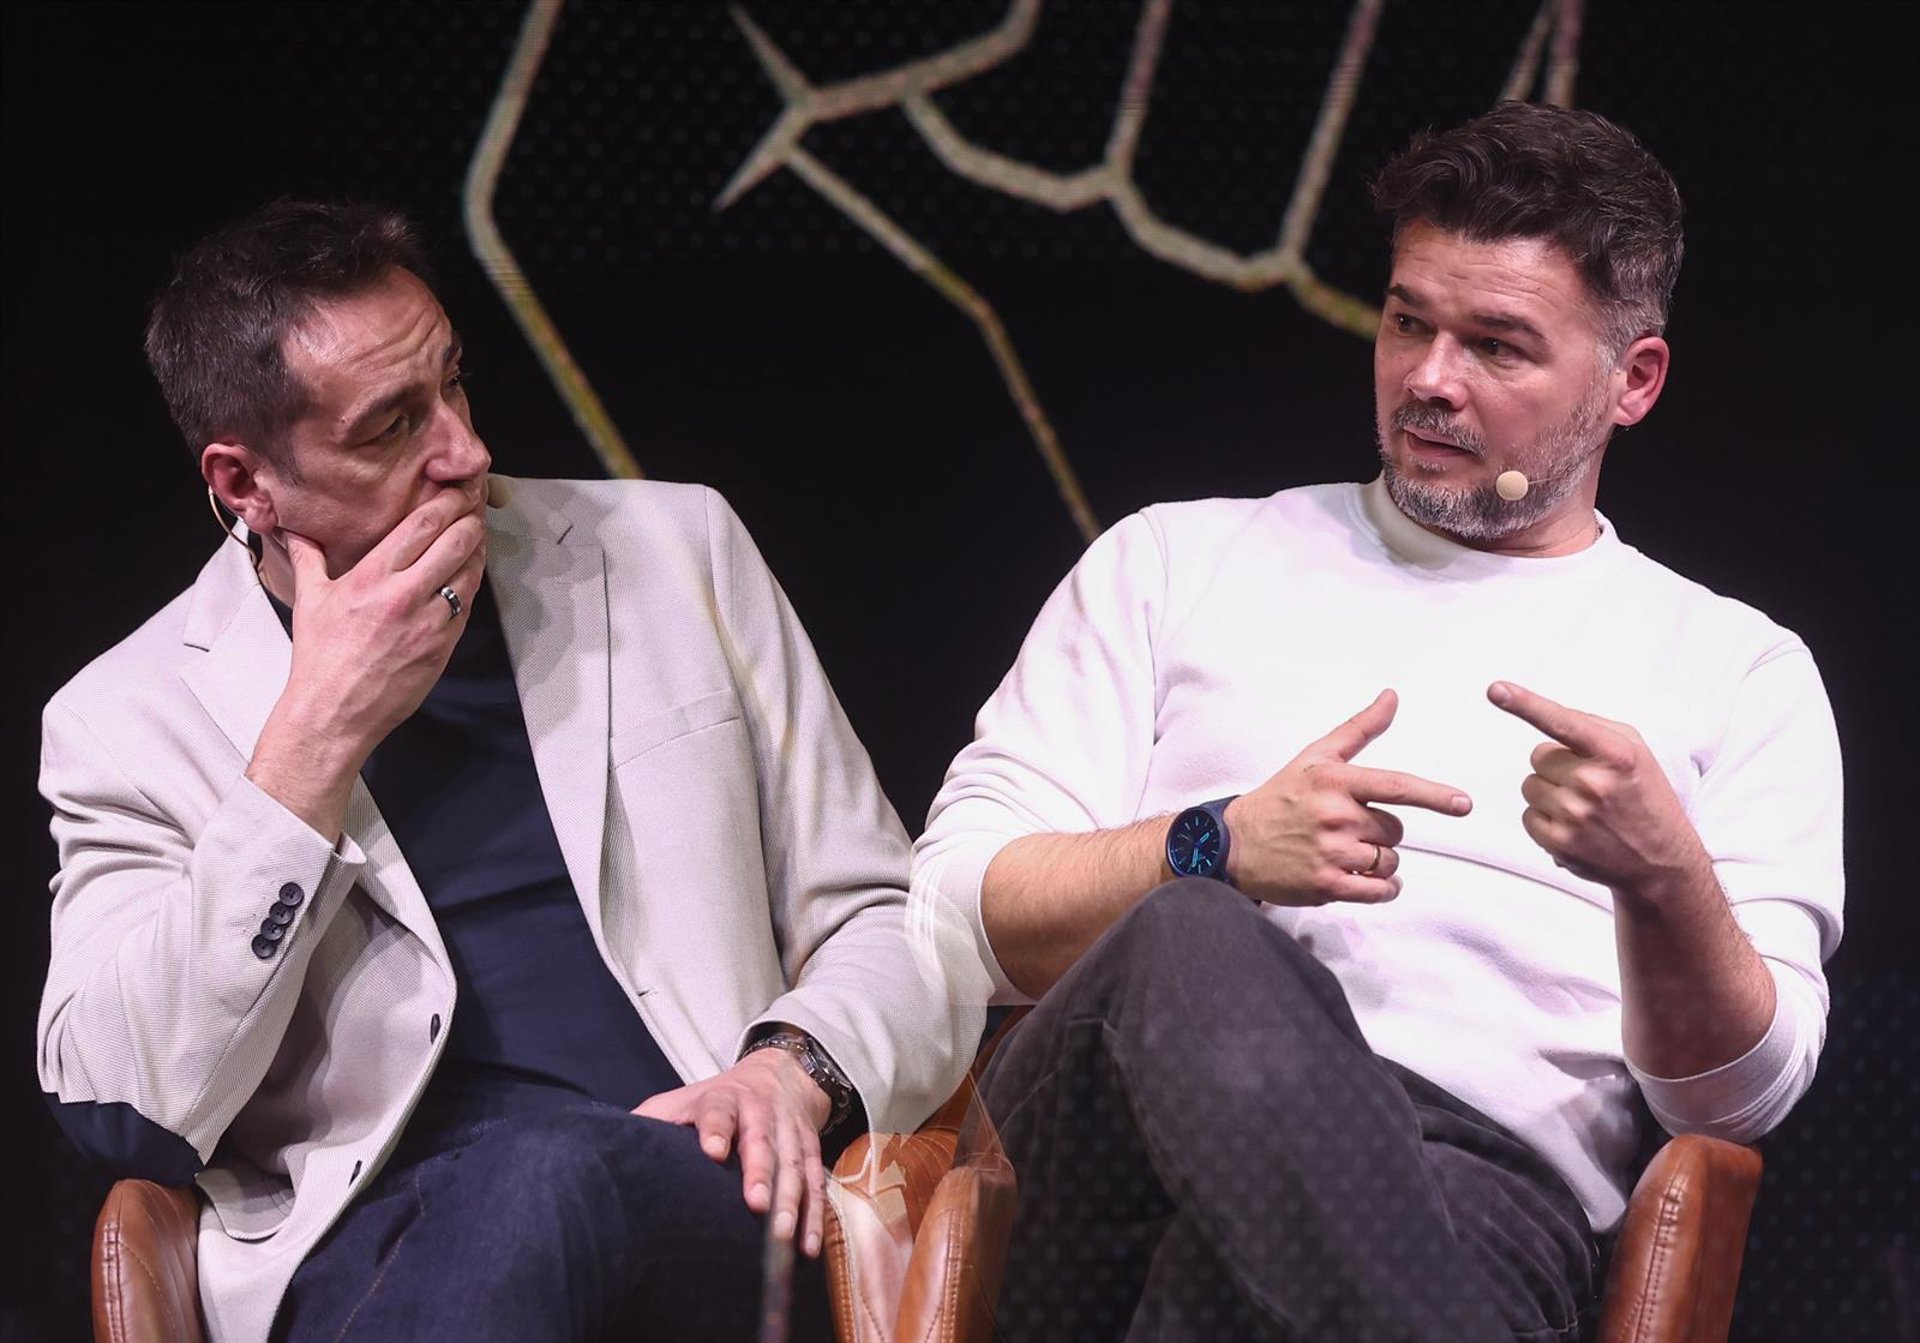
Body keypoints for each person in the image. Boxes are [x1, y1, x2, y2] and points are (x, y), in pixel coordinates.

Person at [910, 101, 1843, 1340]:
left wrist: (1663, 879)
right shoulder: (1174, 560)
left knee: (1244, 1286)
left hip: (1473, 1203)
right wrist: (1211, 844)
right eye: (1408, 321)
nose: (1429, 379)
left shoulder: (1738, 668)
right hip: (1107, 1169)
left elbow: (1737, 1104)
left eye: (1497, 346)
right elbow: (948, 923)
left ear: (1635, 380)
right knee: (1192, 930)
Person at [36, 199, 979, 1342]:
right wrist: (309, 747)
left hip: (701, 1192)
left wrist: (788, 1066)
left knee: (552, 1169)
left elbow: (892, 915)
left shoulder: (675, 554)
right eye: (392, 427)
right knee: (524, 1183)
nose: (466, 453)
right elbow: (125, 1110)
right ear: (246, 483)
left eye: (455, 385)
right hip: (373, 1263)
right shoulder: (125, 717)